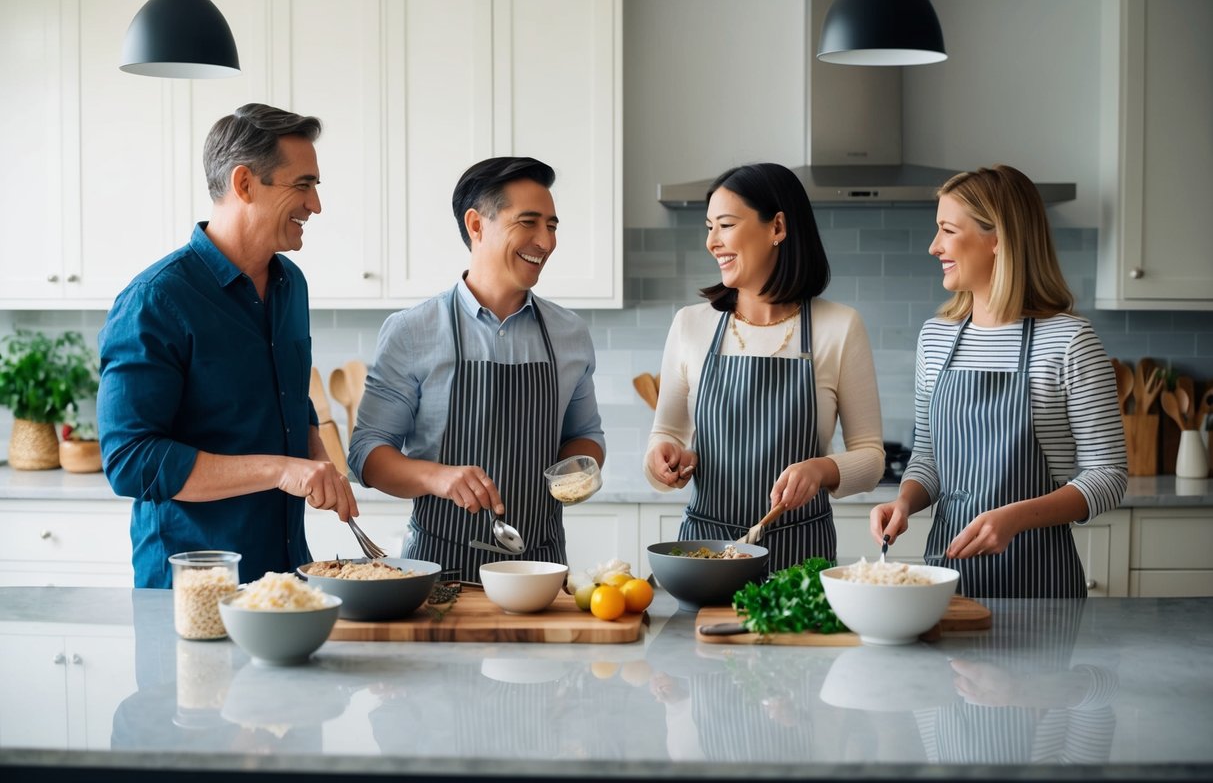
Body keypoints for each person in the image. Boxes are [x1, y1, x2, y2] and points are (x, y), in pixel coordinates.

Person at [98, 103, 357, 589]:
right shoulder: (155, 300)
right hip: (193, 588)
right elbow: (131, 460)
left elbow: (287, 396)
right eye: (302, 185)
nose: (315, 205)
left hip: (284, 580)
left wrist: (315, 456)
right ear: (244, 184)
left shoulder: (290, 285)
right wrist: (280, 470)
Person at [869, 164, 1127, 598]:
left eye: (948, 230)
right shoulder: (937, 337)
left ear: (999, 239)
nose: (934, 247)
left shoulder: (1069, 341)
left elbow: (1109, 475)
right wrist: (905, 502)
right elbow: (929, 456)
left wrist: (1015, 517)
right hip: (947, 578)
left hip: (1041, 582)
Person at [349, 157, 605, 581]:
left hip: (539, 572)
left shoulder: (570, 333)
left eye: (553, 226)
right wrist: (437, 477)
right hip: (435, 574)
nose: (546, 241)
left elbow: (585, 435)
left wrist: (580, 467)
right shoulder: (412, 330)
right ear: (476, 225)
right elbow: (367, 456)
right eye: (529, 222)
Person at [643, 162, 883, 570]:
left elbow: (872, 459)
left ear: (777, 228)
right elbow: (665, 434)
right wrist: (661, 462)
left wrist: (822, 469)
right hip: (707, 557)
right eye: (708, 227)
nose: (711, 241)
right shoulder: (691, 325)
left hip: (800, 560)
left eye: (725, 225)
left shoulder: (839, 327)